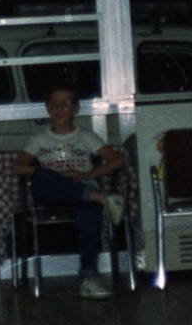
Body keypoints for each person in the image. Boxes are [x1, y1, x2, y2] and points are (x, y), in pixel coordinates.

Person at [11, 81, 127, 300]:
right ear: (47, 107)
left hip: (81, 189)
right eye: (54, 104)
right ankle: (102, 198)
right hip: (51, 194)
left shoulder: (85, 136)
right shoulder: (39, 139)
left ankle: (89, 278)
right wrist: (62, 175)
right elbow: (18, 166)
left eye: (65, 104)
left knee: (89, 213)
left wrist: (89, 175)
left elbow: (117, 160)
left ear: (75, 109)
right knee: (41, 176)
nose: (59, 109)